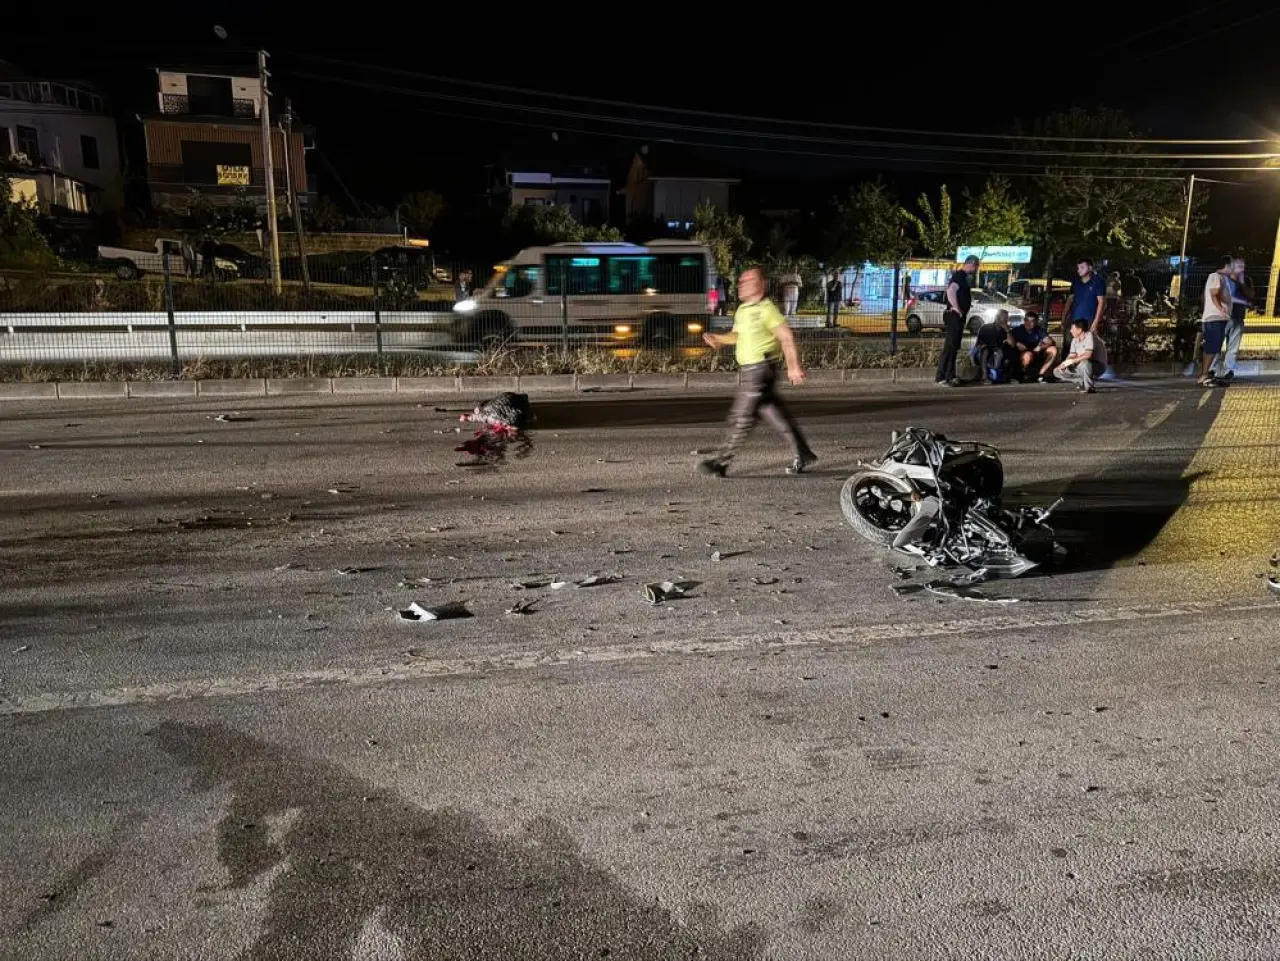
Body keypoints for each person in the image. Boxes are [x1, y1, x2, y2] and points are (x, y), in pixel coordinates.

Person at [698, 267, 816, 477]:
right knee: (775, 413)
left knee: (742, 416)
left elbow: (786, 337)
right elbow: (737, 335)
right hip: (749, 370)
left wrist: (793, 366)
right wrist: (719, 339)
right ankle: (803, 453)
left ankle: (721, 461)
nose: (741, 284)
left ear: (761, 285)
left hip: (760, 369)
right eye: (741, 281)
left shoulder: (766, 309)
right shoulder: (743, 310)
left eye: (748, 281)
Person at [935, 254, 979, 387]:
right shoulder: (959, 276)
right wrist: (957, 309)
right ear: (971, 264)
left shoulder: (962, 277)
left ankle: (946, 375)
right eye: (976, 266)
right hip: (954, 316)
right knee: (951, 347)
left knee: (952, 347)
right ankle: (946, 376)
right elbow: (951, 291)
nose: (976, 269)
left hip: (956, 316)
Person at [1199, 256, 1235, 387]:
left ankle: (1206, 375)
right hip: (1215, 318)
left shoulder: (1221, 278)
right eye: (1231, 265)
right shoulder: (1216, 276)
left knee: (1213, 347)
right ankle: (1204, 375)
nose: (1233, 268)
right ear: (1226, 266)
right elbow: (1214, 292)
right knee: (1212, 347)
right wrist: (1221, 309)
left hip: (1217, 318)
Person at [1214, 259, 1251, 381]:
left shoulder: (1246, 280)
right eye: (1238, 266)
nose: (1241, 269)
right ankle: (1213, 370)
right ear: (1232, 267)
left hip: (1238, 318)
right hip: (1222, 318)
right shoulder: (1223, 279)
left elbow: (1251, 295)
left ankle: (1228, 370)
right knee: (1216, 345)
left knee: (1233, 348)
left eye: (1243, 266)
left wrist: (1241, 282)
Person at [1055, 319, 1108, 393]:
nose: (1070, 331)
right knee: (1056, 371)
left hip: (1097, 366)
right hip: (1081, 365)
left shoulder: (1090, 336)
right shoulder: (1074, 340)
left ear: (1079, 330)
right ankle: (1082, 380)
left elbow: (1088, 355)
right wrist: (1064, 364)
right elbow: (1072, 355)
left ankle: (1089, 387)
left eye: (1072, 328)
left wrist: (1071, 361)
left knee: (1086, 363)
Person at [1062, 257, 1107, 338]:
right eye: (1078, 268)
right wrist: (1064, 317)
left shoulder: (1098, 281)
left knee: (1087, 344)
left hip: (1089, 322)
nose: (1079, 270)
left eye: (1082, 267)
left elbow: (1101, 302)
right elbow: (1070, 300)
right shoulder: (1075, 281)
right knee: (1070, 343)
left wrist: (1096, 322)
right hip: (1074, 321)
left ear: (1090, 268)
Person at [1010, 310, 1059, 382]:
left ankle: (1041, 375)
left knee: (1053, 349)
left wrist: (1041, 346)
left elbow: (1049, 341)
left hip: (1037, 353)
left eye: (1032, 321)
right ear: (1024, 320)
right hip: (1023, 354)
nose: (1028, 323)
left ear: (1036, 322)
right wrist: (1017, 343)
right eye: (1026, 320)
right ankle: (1022, 373)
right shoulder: (1017, 330)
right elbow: (1008, 340)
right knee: (1028, 355)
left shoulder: (1039, 330)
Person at [972, 310, 1011, 385]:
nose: (1006, 319)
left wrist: (1007, 330)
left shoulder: (1005, 330)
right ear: (997, 318)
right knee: (985, 350)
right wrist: (985, 345)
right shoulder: (986, 328)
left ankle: (996, 374)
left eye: (1007, 317)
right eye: (1005, 317)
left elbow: (1012, 344)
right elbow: (979, 345)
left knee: (1003, 351)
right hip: (982, 354)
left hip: (997, 354)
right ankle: (984, 377)